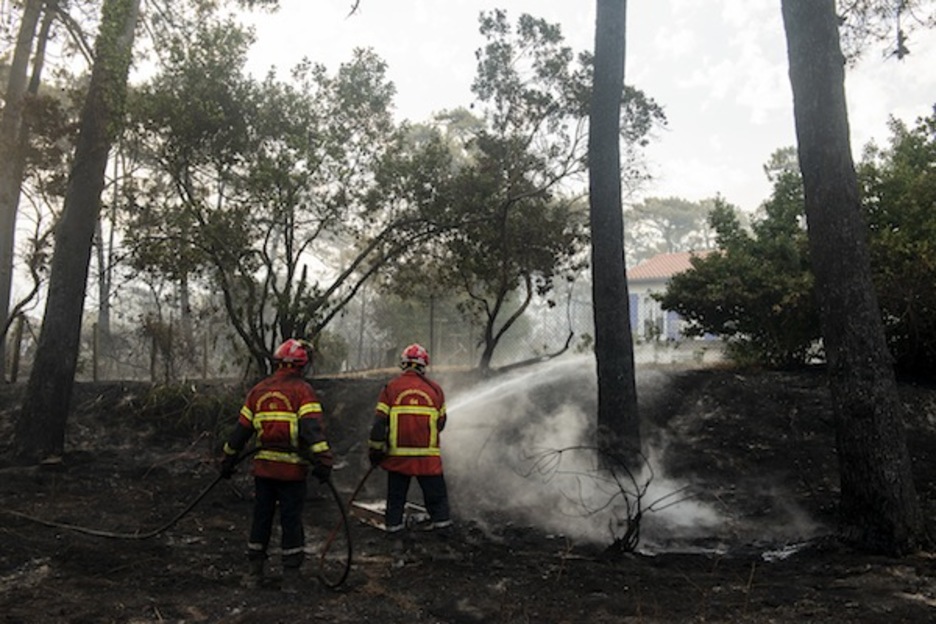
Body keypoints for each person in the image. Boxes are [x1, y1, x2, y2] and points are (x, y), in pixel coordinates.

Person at [219, 338, 333, 592]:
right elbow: (312, 430)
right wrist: (324, 461)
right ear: (302, 365)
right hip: (292, 472)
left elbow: (240, 432)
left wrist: (228, 459)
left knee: (261, 518)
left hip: (264, 470)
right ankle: (291, 577)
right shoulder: (302, 391)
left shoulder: (258, 391)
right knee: (291, 520)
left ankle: (254, 574)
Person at [367, 343, 452, 538]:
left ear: (404, 364)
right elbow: (441, 423)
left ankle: (394, 539)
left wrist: (376, 452)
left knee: (396, 501)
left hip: (398, 459)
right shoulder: (435, 390)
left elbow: (379, 424)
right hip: (428, 460)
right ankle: (444, 542)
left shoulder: (391, 388)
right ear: (424, 365)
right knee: (437, 501)